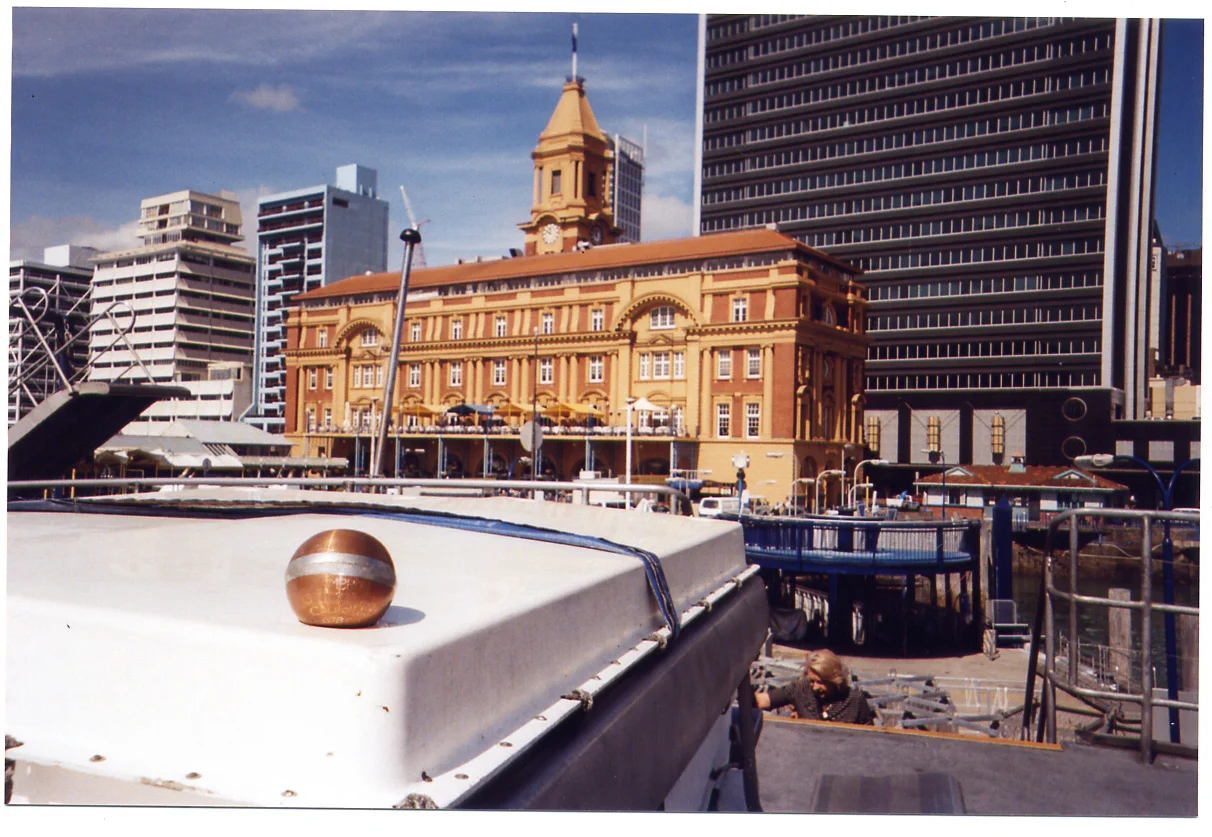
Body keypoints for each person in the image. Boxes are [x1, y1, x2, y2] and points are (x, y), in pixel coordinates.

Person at [754, 649, 875, 725]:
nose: (815, 687)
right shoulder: (801, 688)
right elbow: (762, 701)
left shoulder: (855, 700)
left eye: (821, 682)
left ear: (834, 680)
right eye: (812, 681)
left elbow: (869, 738)